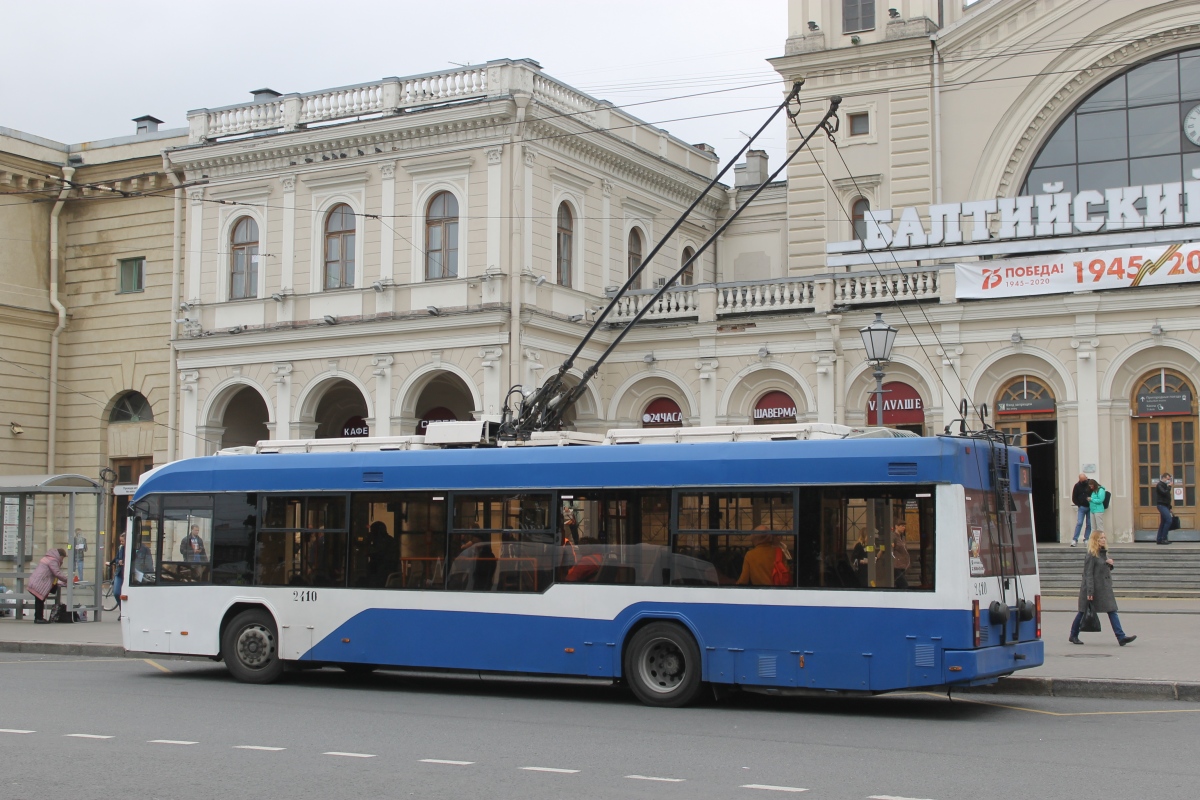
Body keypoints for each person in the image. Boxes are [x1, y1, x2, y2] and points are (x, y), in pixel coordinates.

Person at [1068, 532, 1136, 646]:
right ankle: (1073, 635)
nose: (1104, 540)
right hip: (1092, 589)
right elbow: (1088, 574)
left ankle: (1121, 637)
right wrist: (1089, 591)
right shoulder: (1091, 555)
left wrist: (1109, 564)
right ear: (1095, 540)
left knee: (1112, 611)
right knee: (1083, 612)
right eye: (1101, 538)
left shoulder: (1102, 553)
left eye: (1104, 537)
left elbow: (1102, 570)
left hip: (1103, 589)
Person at [28, 548, 68, 624]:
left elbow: (52, 576)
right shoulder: (53, 560)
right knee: (40, 600)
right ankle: (38, 618)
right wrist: (67, 580)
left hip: (36, 581)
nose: (62, 560)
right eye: (62, 558)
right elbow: (57, 573)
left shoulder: (48, 558)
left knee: (39, 600)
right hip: (40, 583)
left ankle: (38, 617)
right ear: (60, 556)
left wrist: (61, 582)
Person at [1070, 473, 1092, 546]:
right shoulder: (1077, 486)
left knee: (1089, 524)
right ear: (1080, 480)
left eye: (1085, 479)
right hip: (1082, 507)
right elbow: (1074, 497)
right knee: (1079, 523)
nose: (1085, 481)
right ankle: (1074, 539)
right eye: (1083, 480)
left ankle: (1086, 539)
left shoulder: (1090, 483)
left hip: (1090, 507)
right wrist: (1079, 504)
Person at [1154, 471, 1173, 545]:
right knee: (1168, 520)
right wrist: (1169, 486)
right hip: (1161, 505)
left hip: (1165, 505)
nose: (1168, 481)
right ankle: (1163, 538)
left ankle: (1159, 539)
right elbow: (1164, 493)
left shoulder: (1165, 485)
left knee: (1163, 522)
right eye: (1168, 479)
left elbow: (1168, 498)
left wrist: (1170, 507)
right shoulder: (1160, 485)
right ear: (1164, 478)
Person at [891, 521, 911, 589]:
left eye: (904, 526)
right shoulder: (893, 537)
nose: (903, 528)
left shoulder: (902, 538)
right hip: (896, 565)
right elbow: (891, 550)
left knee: (899, 586)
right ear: (896, 526)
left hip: (903, 565)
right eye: (902, 526)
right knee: (904, 585)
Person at [110, 533, 126, 617]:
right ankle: (122, 609)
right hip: (119, 572)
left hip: (127, 574)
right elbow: (116, 558)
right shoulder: (120, 548)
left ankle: (125, 611)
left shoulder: (132, 548)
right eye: (120, 541)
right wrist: (118, 561)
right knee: (116, 592)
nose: (121, 543)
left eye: (123, 541)